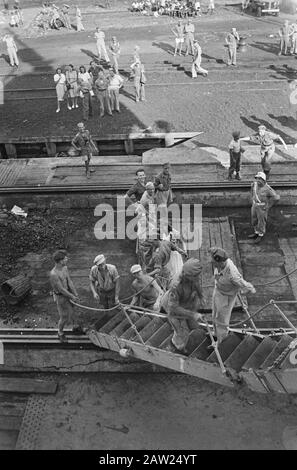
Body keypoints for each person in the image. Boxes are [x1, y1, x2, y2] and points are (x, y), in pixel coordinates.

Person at [210, 247, 255, 346]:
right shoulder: (219, 263)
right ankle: (215, 332)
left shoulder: (232, 275)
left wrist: (244, 291)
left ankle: (221, 340)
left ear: (221, 262)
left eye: (214, 262)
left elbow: (247, 286)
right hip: (218, 290)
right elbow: (213, 250)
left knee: (222, 319)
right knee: (214, 313)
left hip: (226, 297)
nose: (212, 263)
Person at [160, 258, 204, 352]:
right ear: (188, 275)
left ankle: (181, 342)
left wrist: (200, 298)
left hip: (184, 302)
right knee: (182, 333)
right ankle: (173, 347)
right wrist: (193, 314)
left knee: (194, 326)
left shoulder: (192, 275)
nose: (197, 277)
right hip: (171, 305)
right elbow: (173, 308)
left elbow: (197, 286)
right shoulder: (176, 285)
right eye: (195, 276)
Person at [49, 250, 80, 342]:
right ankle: (60, 333)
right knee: (64, 317)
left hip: (68, 293)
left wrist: (75, 293)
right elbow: (61, 290)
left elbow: (69, 281)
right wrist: (72, 297)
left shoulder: (64, 268)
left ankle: (75, 327)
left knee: (73, 311)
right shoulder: (53, 274)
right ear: (60, 261)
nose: (67, 259)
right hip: (61, 297)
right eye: (65, 258)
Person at [249, 171, 280, 243]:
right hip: (254, 205)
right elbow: (251, 191)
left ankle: (260, 234)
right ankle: (256, 232)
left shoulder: (268, 189)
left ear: (264, 180)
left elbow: (276, 198)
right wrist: (252, 199)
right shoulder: (254, 184)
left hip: (262, 207)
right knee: (254, 219)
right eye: (257, 178)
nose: (258, 181)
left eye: (260, 179)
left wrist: (268, 206)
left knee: (261, 221)